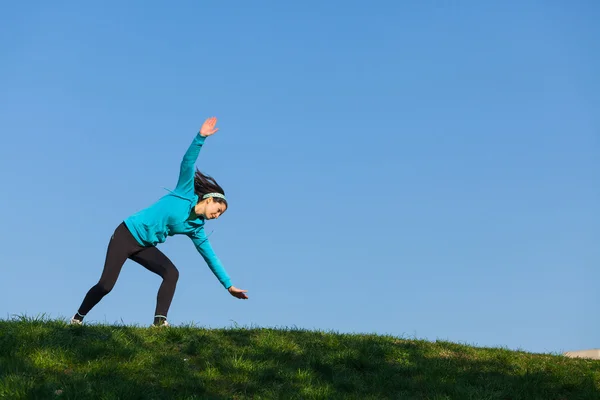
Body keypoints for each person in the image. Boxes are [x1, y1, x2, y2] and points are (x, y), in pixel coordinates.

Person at [70, 116, 248, 327]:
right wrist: (201, 137)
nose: (216, 216)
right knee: (106, 285)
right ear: (209, 200)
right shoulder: (185, 191)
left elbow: (211, 257)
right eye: (218, 210)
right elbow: (187, 162)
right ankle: (77, 319)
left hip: (144, 246)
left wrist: (228, 286)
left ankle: (159, 322)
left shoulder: (196, 228)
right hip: (126, 234)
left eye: (220, 215)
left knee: (171, 273)